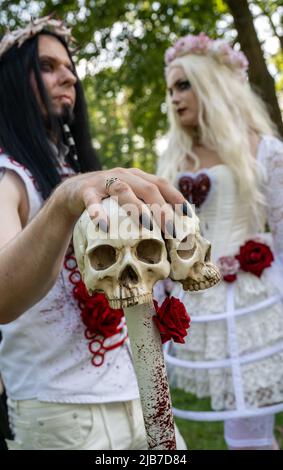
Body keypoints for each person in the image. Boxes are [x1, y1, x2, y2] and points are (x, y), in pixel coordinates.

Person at [0, 16, 187, 450]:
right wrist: (65, 200)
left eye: (69, 67)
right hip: (63, 415)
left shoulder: (76, 173)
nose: (68, 76)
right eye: (46, 66)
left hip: (143, 390)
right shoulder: (9, 176)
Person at [158, 32, 283, 450]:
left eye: (184, 85)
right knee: (233, 415)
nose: (174, 98)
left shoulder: (262, 149)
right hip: (200, 301)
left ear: (210, 84)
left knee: (250, 427)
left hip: (253, 301)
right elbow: (168, 239)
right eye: (170, 88)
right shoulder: (176, 158)